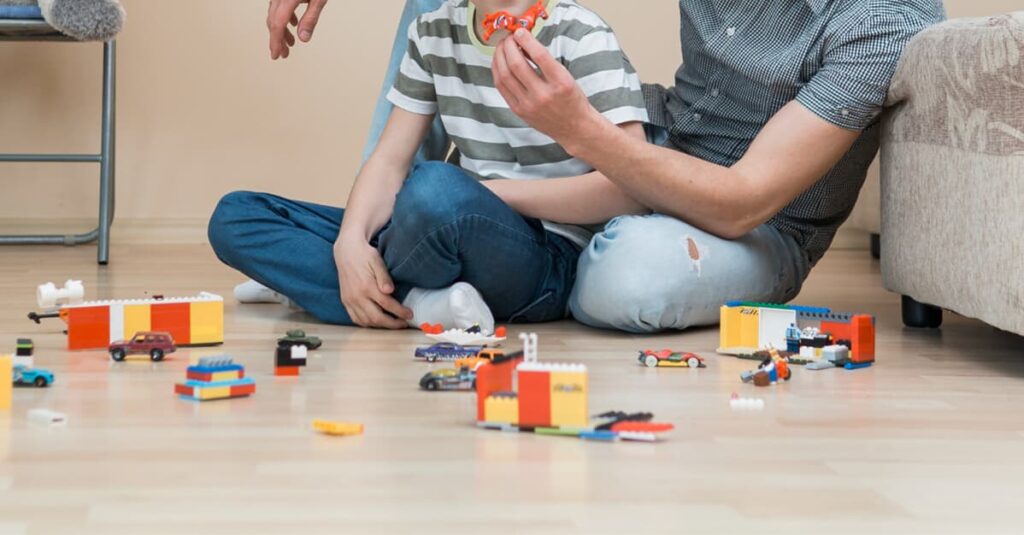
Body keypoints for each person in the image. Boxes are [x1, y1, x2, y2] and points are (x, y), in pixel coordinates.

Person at [218, 0, 945, 333]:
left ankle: (372, 270)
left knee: (618, 273)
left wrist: (576, 136)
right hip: (639, 159)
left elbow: (741, 201)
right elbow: (393, 154)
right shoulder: (441, 32)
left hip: (749, 225)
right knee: (240, 215)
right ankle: (376, 266)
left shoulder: (882, 21)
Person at [209, 0, 648, 332]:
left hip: (545, 255)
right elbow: (388, 162)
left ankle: (306, 280)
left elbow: (629, 188)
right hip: (444, 227)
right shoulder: (433, 31)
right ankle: (419, 303)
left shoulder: (582, 35)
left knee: (435, 190)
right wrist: (348, 244)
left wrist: (486, 195)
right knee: (235, 216)